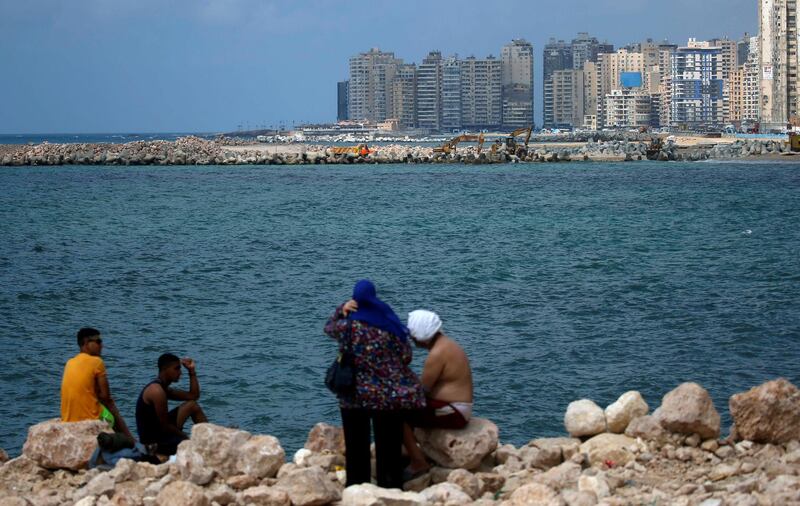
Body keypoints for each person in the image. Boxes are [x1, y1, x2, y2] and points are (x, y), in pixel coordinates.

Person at [324, 279, 425, 489]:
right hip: (386, 395)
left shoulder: (348, 327)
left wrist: (341, 309)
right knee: (389, 445)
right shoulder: (388, 324)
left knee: (356, 445)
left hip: (353, 395)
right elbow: (406, 356)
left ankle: (356, 486)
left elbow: (328, 327)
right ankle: (390, 487)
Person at [403, 310, 474, 479]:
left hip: (453, 411)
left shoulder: (436, 354)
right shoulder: (448, 344)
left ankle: (418, 461)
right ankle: (410, 451)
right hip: (456, 407)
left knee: (399, 415)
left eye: (413, 336)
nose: (412, 340)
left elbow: (422, 392)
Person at [61, 327, 133, 442]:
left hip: (68, 420)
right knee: (111, 407)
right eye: (98, 342)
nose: (101, 346)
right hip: (90, 419)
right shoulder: (97, 362)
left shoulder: (70, 362)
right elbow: (106, 397)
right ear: (85, 343)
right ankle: (131, 441)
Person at [135, 353, 207, 456]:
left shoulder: (163, 388)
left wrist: (191, 371)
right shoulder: (157, 391)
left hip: (160, 431)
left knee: (192, 405)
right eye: (176, 369)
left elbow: (193, 396)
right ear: (165, 369)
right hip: (153, 441)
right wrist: (186, 438)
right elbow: (165, 426)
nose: (180, 372)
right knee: (190, 446)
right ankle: (208, 442)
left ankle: (210, 437)